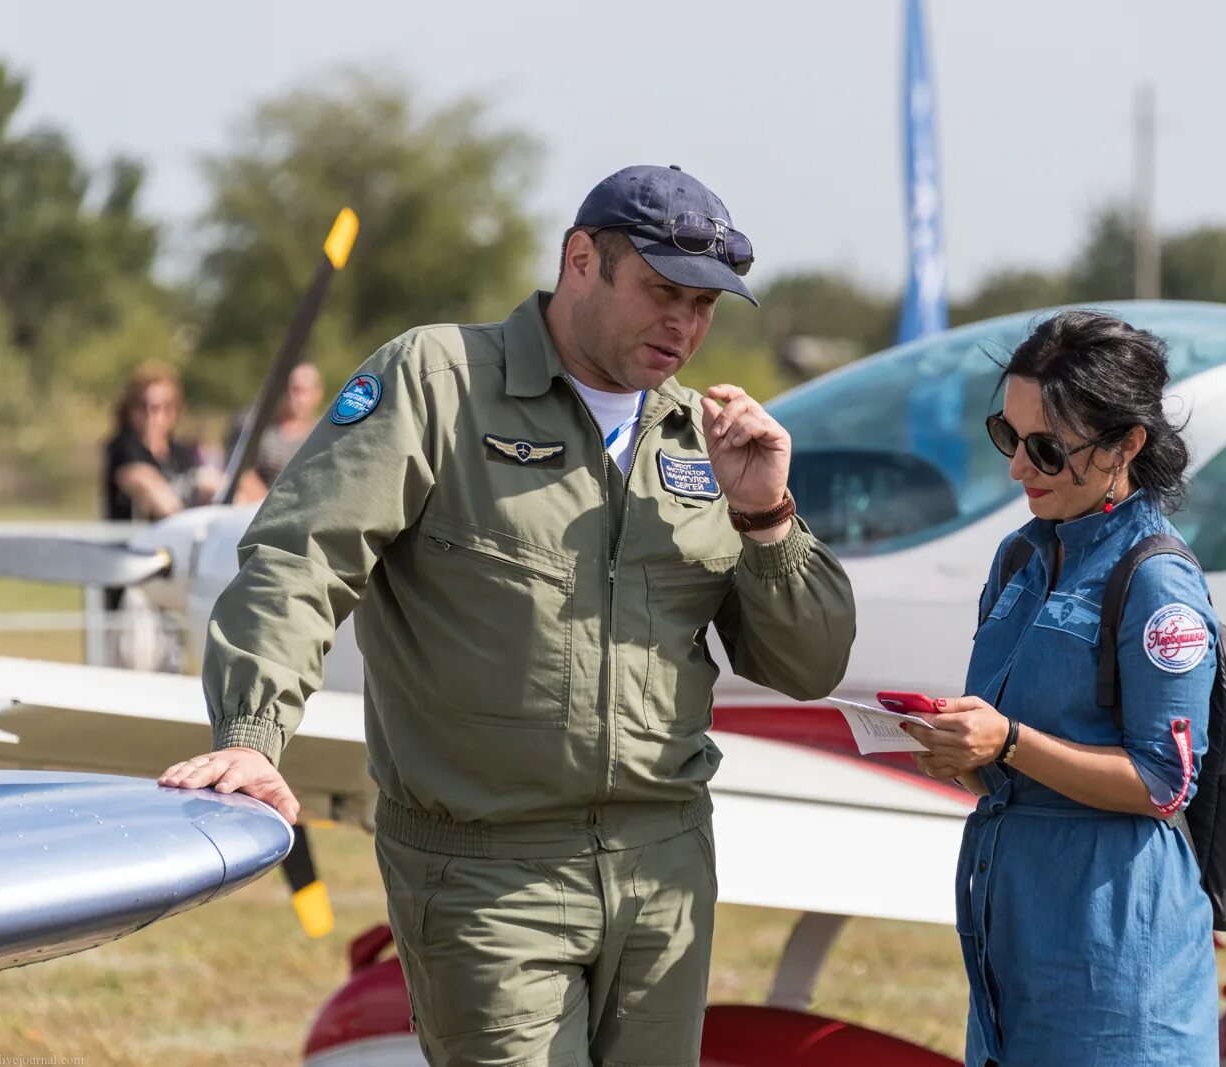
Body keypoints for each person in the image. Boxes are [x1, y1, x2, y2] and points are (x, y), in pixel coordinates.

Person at [159, 164, 856, 1067]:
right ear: (580, 260)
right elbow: (300, 558)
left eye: (705, 305)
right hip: (489, 874)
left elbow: (810, 664)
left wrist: (767, 515)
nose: (685, 324)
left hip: (665, 866)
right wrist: (253, 732)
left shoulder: (704, 442)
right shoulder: (436, 383)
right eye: (662, 291)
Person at [904, 311, 1219, 1066]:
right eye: (1007, 437)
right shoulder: (1019, 558)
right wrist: (962, 750)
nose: (1019, 467)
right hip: (1011, 938)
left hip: (1112, 945)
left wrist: (1008, 740)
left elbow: (1166, 782)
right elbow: (1009, 754)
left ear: (1125, 443)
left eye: (1046, 446)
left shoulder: (1157, 581)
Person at [103, 361, 220, 522]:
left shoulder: (184, 452)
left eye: (165, 407)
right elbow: (159, 500)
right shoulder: (123, 449)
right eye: (144, 406)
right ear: (130, 410)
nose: (154, 417)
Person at [229, 361, 325, 502]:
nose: (296, 398)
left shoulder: (323, 433)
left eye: (303, 391)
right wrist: (268, 503)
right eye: (292, 389)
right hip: (253, 503)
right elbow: (240, 470)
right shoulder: (252, 423)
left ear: (317, 394)